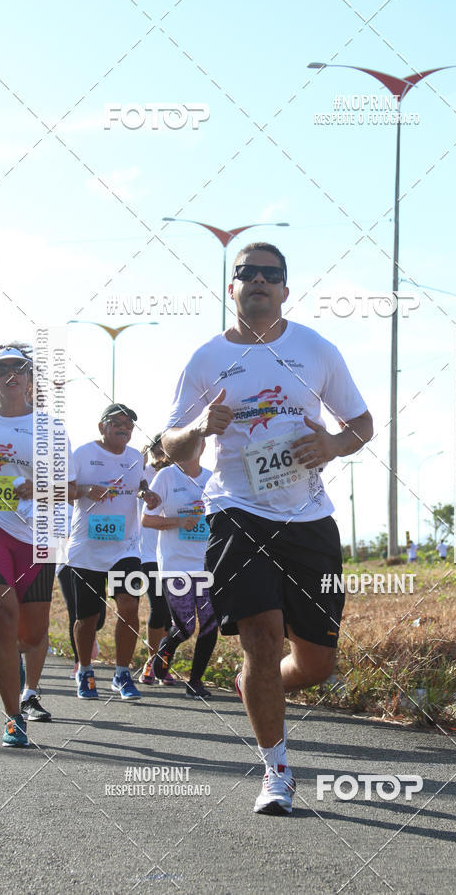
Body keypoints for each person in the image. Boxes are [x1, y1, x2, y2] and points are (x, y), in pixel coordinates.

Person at [161, 243, 372, 815]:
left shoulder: (314, 348)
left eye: (269, 275)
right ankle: (275, 769)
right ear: (231, 289)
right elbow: (170, 443)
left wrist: (331, 443)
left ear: (285, 289)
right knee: (260, 636)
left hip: (309, 518)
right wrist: (201, 426)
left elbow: (362, 423)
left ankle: (260, 687)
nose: (257, 280)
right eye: (245, 274)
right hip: (236, 510)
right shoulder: (205, 359)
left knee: (317, 662)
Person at [0, 345, 76, 745]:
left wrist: (39, 487)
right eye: (1, 368)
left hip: (38, 534)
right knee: (3, 620)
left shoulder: (50, 428)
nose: (11, 373)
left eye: (19, 367)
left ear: (30, 378)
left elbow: (71, 488)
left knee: (31, 634)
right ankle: (13, 717)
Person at [66, 403, 161, 700]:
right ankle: (85, 670)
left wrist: (146, 492)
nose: (124, 428)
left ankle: (122, 674)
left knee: (129, 607)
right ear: (101, 427)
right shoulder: (83, 454)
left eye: (129, 425)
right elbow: (63, 491)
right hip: (87, 548)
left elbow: (140, 483)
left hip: (125, 547)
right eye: (117, 423)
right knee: (88, 617)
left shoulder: (135, 457)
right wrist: (84, 490)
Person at [144, 440, 217, 698]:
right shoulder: (166, 476)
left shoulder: (212, 478)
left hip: (206, 564)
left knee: (210, 623)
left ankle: (195, 682)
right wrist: (179, 521)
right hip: (175, 564)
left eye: (196, 443)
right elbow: (146, 519)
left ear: (203, 446)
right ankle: (165, 651)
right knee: (185, 626)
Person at [138, 435, 174, 686]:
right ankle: (152, 662)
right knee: (158, 607)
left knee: (173, 616)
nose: (163, 452)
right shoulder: (143, 472)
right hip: (148, 552)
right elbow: (138, 489)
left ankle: (162, 664)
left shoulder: (178, 475)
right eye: (159, 447)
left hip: (174, 553)